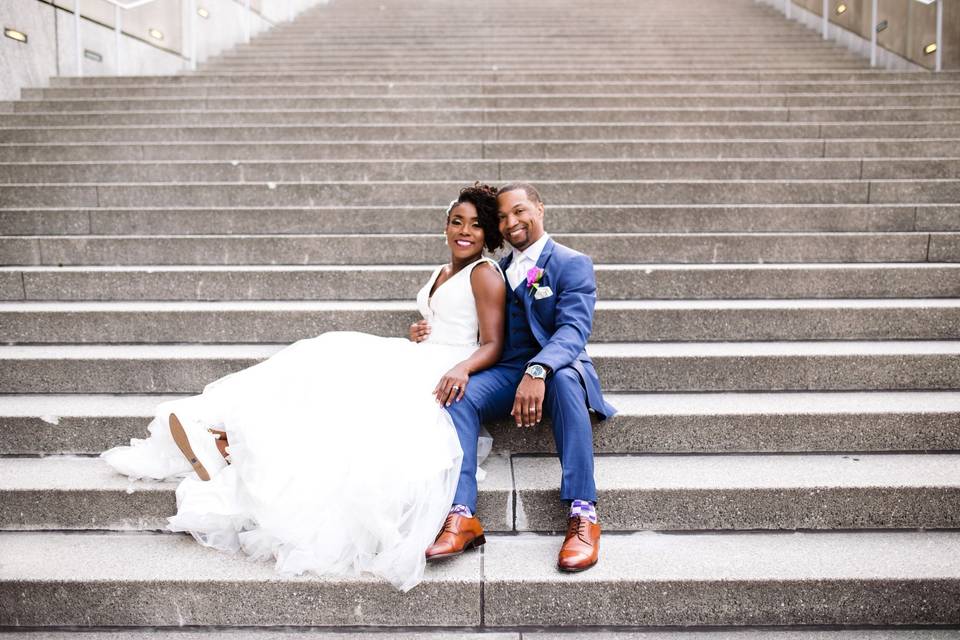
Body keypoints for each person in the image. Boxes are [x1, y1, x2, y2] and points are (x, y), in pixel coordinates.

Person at [101, 183, 506, 592]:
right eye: (457, 221)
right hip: (422, 354)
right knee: (321, 357)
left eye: (475, 225)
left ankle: (235, 448)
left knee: (341, 380)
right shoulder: (442, 272)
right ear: (445, 225)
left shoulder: (484, 273)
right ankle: (229, 436)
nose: (464, 231)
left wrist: (460, 368)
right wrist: (421, 331)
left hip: (444, 369)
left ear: (488, 233)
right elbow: (446, 317)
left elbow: (492, 343)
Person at [426, 182, 617, 573]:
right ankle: (461, 514)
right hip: (507, 371)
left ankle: (583, 515)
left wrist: (538, 369)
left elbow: (572, 332)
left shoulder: (570, 262)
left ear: (539, 209)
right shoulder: (497, 269)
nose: (511, 222)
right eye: (502, 216)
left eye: (519, 211)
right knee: (458, 396)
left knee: (564, 382)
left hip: (558, 368)